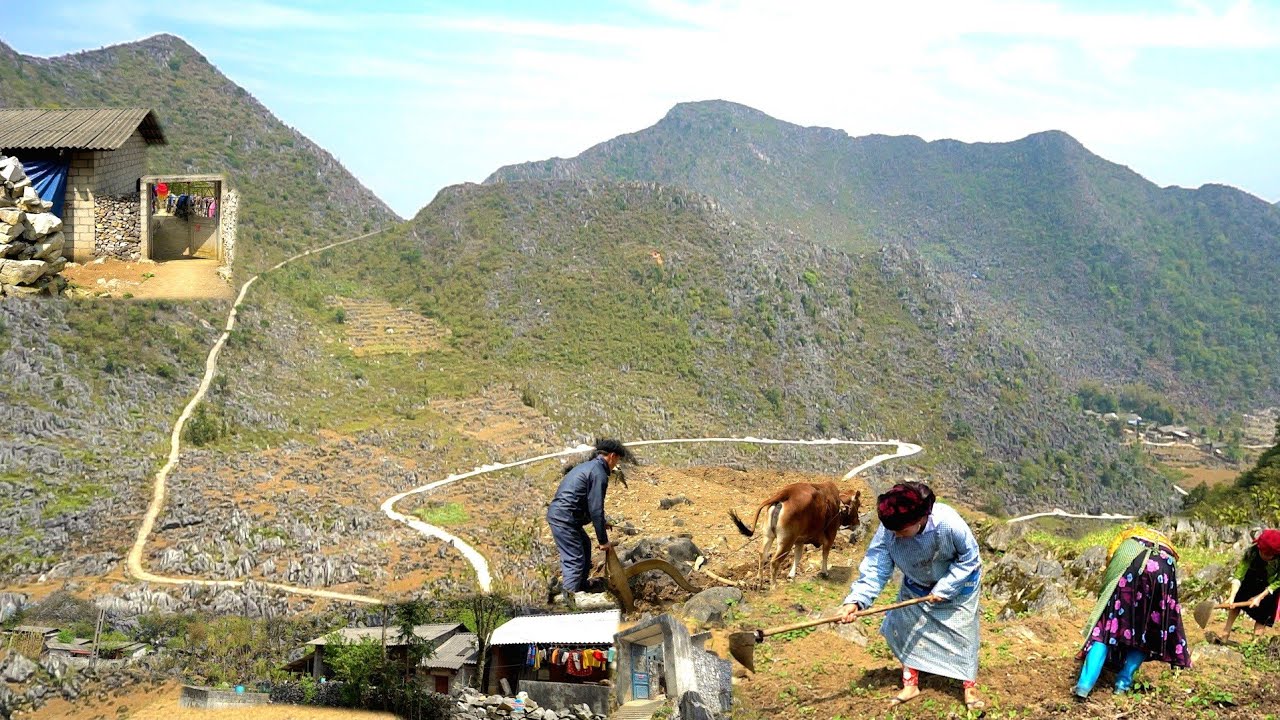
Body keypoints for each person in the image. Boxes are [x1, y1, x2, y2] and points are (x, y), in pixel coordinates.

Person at [838, 482, 984, 712]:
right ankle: (911, 684)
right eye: (893, 532)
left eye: (902, 532)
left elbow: (970, 559)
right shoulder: (890, 529)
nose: (897, 536)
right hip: (916, 585)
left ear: (920, 519)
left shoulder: (948, 523)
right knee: (907, 629)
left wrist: (944, 588)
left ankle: (969, 688)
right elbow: (877, 566)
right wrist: (856, 601)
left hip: (958, 586)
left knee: (962, 636)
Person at [1074, 526, 1189, 699]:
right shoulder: (1166, 546)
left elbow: (1111, 567)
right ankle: (1122, 684)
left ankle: (1084, 685)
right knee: (1147, 630)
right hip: (1164, 567)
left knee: (1107, 627)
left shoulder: (1124, 539)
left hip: (1132, 564)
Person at [546, 438, 634, 608]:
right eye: (617, 460)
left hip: (563, 516)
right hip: (564, 518)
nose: (616, 465)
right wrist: (603, 541)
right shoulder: (599, 473)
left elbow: (584, 502)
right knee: (575, 558)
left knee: (585, 544)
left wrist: (602, 522)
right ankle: (569, 603)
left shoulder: (589, 467)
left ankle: (581, 587)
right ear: (612, 456)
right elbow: (595, 509)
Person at [1221, 528, 1280, 641]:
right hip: (1252, 579)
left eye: (1266, 553)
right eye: (1260, 551)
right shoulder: (1251, 553)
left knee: (1263, 615)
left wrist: (1260, 597)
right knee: (1236, 600)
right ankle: (1225, 634)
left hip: (1270, 586)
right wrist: (1232, 597)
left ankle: (1255, 643)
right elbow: (1239, 575)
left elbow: (1278, 582)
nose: (1262, 554)